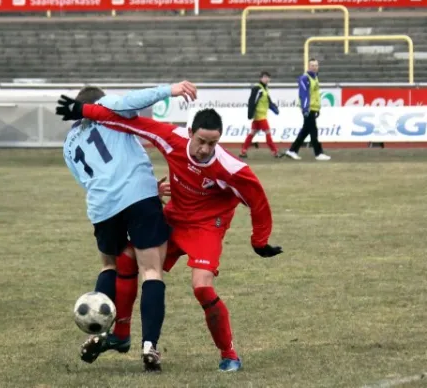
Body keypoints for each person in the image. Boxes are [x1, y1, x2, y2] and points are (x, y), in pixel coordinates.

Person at [57, 96, 283, 372]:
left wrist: (259, 241)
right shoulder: (172, 138)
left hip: (206, 228)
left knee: (202, 287)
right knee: (127, 258)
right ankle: (121, 335)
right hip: (175, 219)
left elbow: (258, 200)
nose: (205, 149)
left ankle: (229, 354)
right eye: (201, 141)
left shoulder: (231, 168)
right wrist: (83, 110)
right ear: (190, 133)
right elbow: (129, 122)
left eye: (213, 143)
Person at [62, 81, 197, 371]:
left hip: (102, 206)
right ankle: (150, 345)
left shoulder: (69, 142)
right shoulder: (108, 108)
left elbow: (89, 179)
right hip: (138, 197)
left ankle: (110, 333)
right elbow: (133, 100)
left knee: (111, 265)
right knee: (150, 269)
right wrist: (170, 89)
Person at [284, 58, 331, 161]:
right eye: (312, 65)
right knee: (313, 131)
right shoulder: (305, 78)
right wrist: (306, 109)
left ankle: (292, 150)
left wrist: (317, 108)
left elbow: (315, 95)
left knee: (305, 131)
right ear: (308, 66)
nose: (314, 67)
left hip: (312, 108)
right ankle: (318, 153)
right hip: (308, 109)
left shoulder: (315, 77)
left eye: (316, 65)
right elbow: (304, 94)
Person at [239, 71, 280, 158]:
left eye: (267, 77)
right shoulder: (258, 88)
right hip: (260, 116)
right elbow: (252, 101)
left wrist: (273, 108)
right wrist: (250, 113)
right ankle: (275, 152)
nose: (266, 79)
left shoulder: (264, 88)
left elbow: (268, 101)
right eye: (264, 77)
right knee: (268, 133)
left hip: (260, 116)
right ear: (260, 78)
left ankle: (243, 151)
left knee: (252, 133)